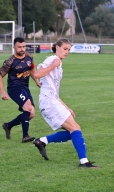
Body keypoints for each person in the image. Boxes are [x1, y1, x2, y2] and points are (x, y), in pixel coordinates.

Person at [32, 38, 99, 168]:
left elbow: (55, 92)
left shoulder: (59, 65)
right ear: (57, 47)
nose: (67, 52)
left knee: (73, 131)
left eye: (69, 49)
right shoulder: (52, 60)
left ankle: (42, 141)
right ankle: (84, 162)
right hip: (48, 102)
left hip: (52, 101)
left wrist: (66, 107)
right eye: (65, 49)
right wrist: (53, 65)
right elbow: (36, 75)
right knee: (75, 129)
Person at [0, 37, 40, 143]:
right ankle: (25, 136)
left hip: (25, 87)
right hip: (14, 88)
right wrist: (2, 92)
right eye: (19, 47)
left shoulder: (29, 56)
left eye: (24, 46)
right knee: (28, 106)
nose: (22, 49)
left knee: (31, 114)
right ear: (14, 47)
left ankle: (8, 125)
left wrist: (37, 82)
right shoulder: (10, 61)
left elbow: (33, 70)